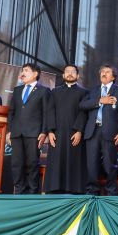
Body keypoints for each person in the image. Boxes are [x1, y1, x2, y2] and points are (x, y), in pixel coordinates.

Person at [80, 64, 118, 196]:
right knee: (91, 164)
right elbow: (83, 105)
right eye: (102, 71)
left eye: (107, 72)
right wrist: (100, 100)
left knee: (110, 165)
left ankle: (111, 193)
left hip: (110, 132)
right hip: (92, 131)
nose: (103, 73)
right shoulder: (93, 90)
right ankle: (92, 192)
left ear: (113, 76)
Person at [6, 63, 51, 194]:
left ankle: (32, 192)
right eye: (22, 70)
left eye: (26, 70)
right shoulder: (17, 90)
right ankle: (19, 191)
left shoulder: (43, 90)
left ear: (35, 74)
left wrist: (43, 132)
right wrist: (10, 130)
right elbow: (11, 112)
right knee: (17, 164)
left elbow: (45, 113)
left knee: (32, 163)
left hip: (34, 134)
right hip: (17, 133)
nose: (22, 73)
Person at [43, 64, 88, 194]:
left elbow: (83, 113)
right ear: (63, 75)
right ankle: (54, 189)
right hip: (57, 133)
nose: (69, 74)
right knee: (56, 160)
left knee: (74, 160)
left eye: (73, 72)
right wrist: (50, 131)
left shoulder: (84, 92)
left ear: (77, 76)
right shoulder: (55, 91)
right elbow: (50, 111)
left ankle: (74, 190)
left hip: (75, 133)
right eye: (67, 71)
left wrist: (79, 130)